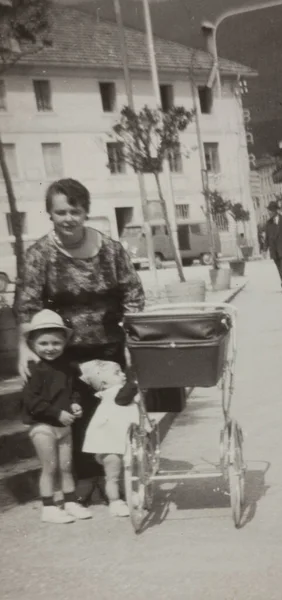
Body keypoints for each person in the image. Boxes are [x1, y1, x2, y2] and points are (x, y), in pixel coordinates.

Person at [17, 178, 145, 493]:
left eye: (74, 211)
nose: (68, 218)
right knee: (74, 417)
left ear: (85, 212)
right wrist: (25, 348)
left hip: (109, 351)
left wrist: (134, 342)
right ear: (50, 214)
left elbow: (134, 296)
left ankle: (116, 479)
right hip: (63, 355)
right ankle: (85, 483)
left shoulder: (111, 250)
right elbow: (27, 306)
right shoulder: (39, 255)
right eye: (60, 212)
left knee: (112, 415)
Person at [22, 309, 92, 524]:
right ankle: (49, 507)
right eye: (44, 343)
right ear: (33, 344)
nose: (50, 348)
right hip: (43, 425)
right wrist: (57, 413)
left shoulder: (66, 367)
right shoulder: (32, 369)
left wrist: (75, 403)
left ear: (64, 343)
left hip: (64, 425)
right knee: (50, 467)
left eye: (56, 343)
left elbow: (73, 391)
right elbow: (32, 401)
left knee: (66, 466)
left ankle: (70, 502)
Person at [80, 360, 141, 517]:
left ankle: (124, 496)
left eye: (121, 371)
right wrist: (135, 379)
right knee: (112, 476)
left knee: (121, 473)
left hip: (117, 441)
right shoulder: (114, 392)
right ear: (104, 383)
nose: (122, 375)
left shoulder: (116, 391)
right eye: (117, 373)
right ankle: (114, 501)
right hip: (109, 444)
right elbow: (125, 396)